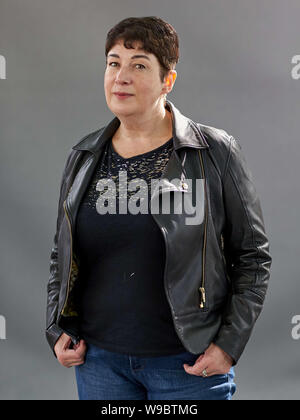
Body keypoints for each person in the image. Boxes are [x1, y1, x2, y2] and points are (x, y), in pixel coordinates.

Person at [45, 16, 272, 400]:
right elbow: (61, 254)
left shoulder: (214, 153)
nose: (121, 76)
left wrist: (229, 344)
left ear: (168, 80)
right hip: (101, 364)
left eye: (139, 65)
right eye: (114, 63)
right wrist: (56, 327)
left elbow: (252, 257)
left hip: (186, 364)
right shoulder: (83, 157)